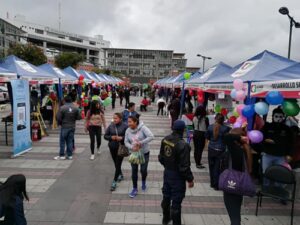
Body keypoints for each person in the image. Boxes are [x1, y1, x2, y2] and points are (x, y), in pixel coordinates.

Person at [159, 120, 194, 225]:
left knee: (166, 196)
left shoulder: (165, 139)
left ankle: (165, 219)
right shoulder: (183, 145)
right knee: (176, 202)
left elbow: (161, 157)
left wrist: (167, 166)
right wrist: (190, 179)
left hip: (167, 173)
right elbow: (184, 166)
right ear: (183, 130)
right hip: (177, 177)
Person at [223, 128, 252, 225]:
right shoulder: (244, 150)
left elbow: (226, 137)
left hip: (231, 185)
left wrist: (239, 137)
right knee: (236, 213)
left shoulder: (235, 150)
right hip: (239, 186)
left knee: (234, 216)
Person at [125, 115, 154, 198]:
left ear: (135, 122)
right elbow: (126, 142)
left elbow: (151, 136)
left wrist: (140, 142)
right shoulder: (127, 130)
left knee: (143, 170)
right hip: (133, 154)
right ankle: (134, 188)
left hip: (144, 153)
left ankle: (144, 181)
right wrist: (131, 147)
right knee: (134, 171)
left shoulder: (143, 128)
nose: (128, 123)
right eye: (128, 122)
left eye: (130, 122)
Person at [261, 107, 293, 184]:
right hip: (267, 154)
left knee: (280, 174)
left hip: (281, 156)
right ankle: (266, 189)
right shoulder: (267, 126)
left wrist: (289, 154)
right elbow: (260, 138)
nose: (278, 118)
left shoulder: (287, 129)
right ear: (272, 116)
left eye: (280, 116)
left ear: (283, 117)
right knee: (266, 173)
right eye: (276, 116)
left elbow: (290, 142)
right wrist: (265, 140)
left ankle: (278, 190)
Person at [205, 113, 230, 190]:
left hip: (211, 148)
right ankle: (216, 184)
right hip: (220, 149)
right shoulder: (226, 128)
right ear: (223, 120)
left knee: (211, 166)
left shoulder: (210, 127)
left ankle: (212, 183)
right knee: (217, 167)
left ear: (215, 119)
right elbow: (227, 139)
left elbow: (207, 138)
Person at [104, 113, 128, 191]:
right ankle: (120, 174)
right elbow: (105, 136)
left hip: (121, 148)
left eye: (116, 118)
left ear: (120, 119)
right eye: (113, 118)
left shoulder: (125, 126)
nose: (114, 120)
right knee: (115, 163)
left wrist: (122, 138)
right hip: (112, 147)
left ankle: (114, 181)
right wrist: (111, 137)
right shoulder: (111, 126)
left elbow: (129, 137)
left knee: (118, 164)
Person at [55, 95, 81, 160]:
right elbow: (79, 117)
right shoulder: (75, 108)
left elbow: (58, 117)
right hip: (72, 126)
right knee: (70, 141)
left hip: (64, 126)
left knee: (62, 141)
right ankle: (70, 155)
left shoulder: (62, 108)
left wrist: (60, 123)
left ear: (65, 100)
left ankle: (62, 155)